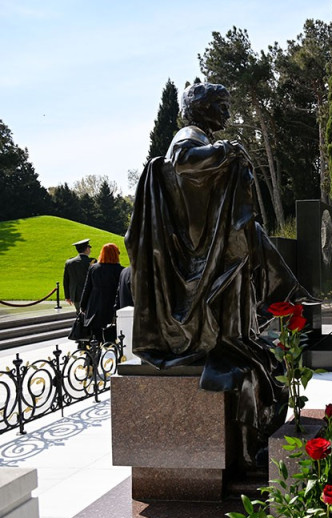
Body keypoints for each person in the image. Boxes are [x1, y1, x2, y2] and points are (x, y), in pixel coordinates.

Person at [126, 81, 312, 460]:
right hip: (201, 254)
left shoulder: (199, 137)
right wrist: (224, 150)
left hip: (213, 247)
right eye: (221, 106)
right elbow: (183, 161)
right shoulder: (187, 137)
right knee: (252, 240)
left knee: (254, 239)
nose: (227, 114)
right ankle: (285, 296)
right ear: (202, 109)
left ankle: (284, 296)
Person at [79, 243, 124, 342]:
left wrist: (83, 305)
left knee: (96, 337)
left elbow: (87, 288)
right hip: (111, 305)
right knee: (111, 337)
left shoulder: (94, 268)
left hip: (95, 306)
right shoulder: (120, 270)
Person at [63, 239, 95, 310]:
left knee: (79, 313)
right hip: (90, 294)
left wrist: (67, 296)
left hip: (75, 295)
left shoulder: (69, 262)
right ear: (87, 249)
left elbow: (66, 280)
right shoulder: (92, 262)